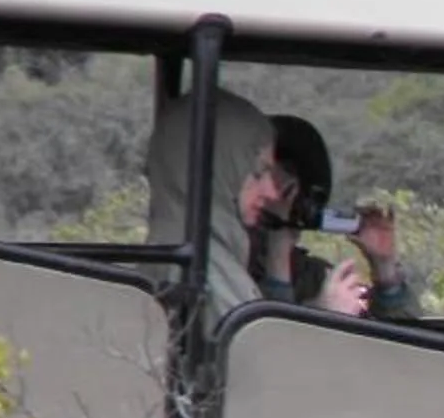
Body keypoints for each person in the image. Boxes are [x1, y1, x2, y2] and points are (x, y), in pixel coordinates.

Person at [143, 92, 418, 324]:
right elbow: (258, 366)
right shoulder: (200, 266)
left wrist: (386, 272)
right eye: (260, 173)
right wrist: (320, 317)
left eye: (283, 185)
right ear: (226, 172)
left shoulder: (306, 275)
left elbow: (397, 349)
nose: (272, 192)